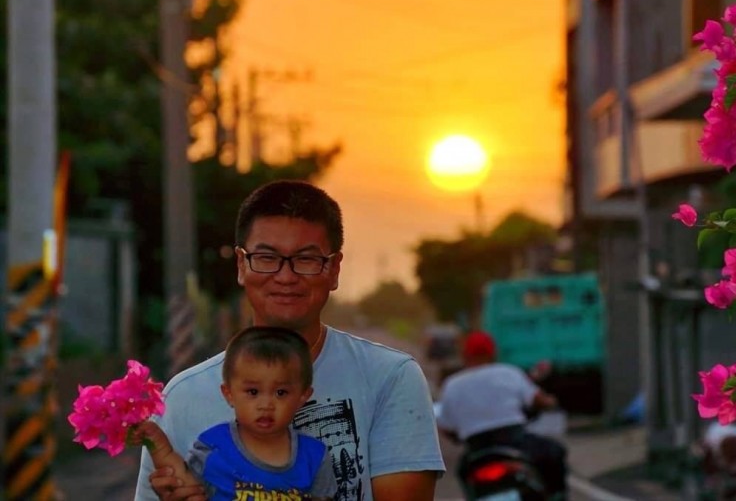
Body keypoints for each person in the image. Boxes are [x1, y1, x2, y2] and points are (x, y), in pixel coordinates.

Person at [135, 180, 444, 501]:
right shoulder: (183, 396)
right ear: (242, 265)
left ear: (334, 269)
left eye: (306, 259)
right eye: (267, 257)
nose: (285, 276)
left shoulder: (389, 378)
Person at [132, 326, 337, 500]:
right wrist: (158, 444)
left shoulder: (314, 457)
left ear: (303, 396)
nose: (266, 404)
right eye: (253, 392)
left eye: (281, 393)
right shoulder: (213, 447)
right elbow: (183, 483)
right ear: (228, 394)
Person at [436, 330, 568, 498]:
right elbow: (538, 400)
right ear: (493, 353)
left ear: (465, 355)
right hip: (515, 443)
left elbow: (446, 426)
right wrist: (551, 402)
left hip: (477, 450)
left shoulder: (452, 384)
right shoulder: (507, 372)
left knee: (463, 473)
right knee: (555, 452)